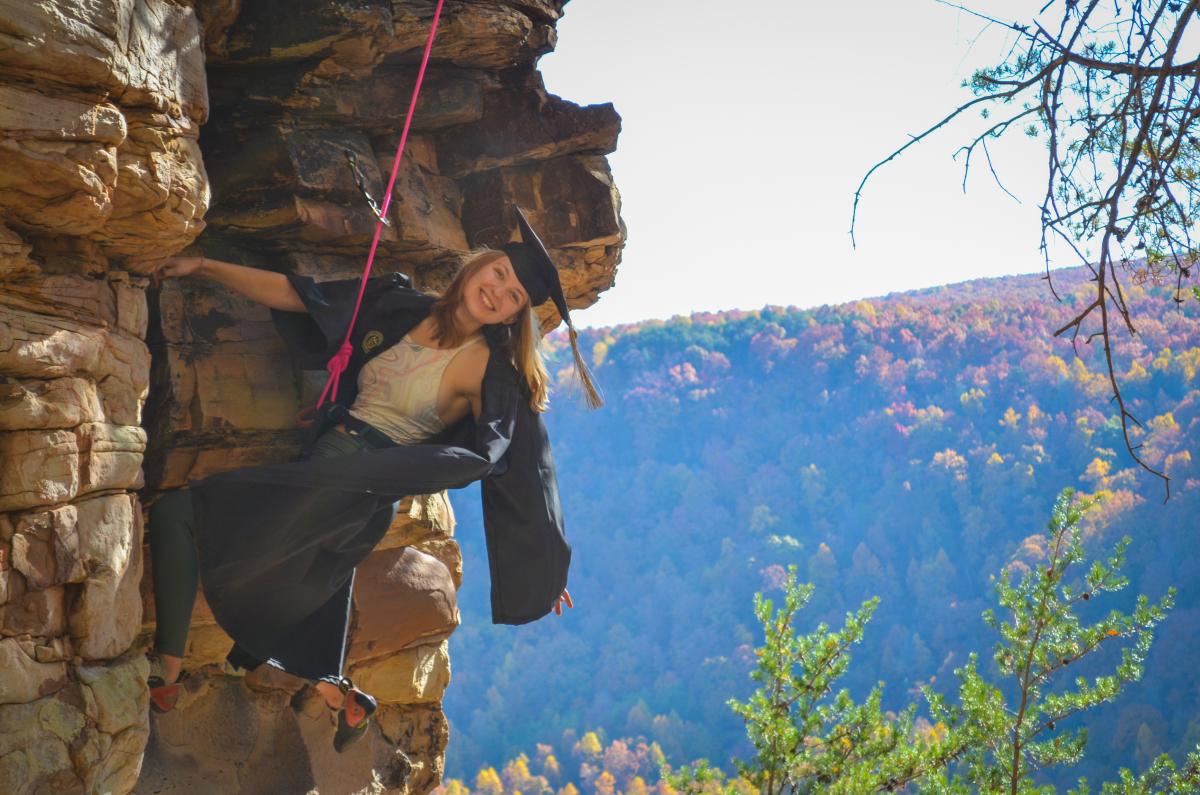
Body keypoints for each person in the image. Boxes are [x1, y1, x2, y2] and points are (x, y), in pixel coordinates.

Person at [145, 208, 599, 752]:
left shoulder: (488, 370)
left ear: (515, 314)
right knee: (302, 582)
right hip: (331, 469)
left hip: (359, 482)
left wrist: (545, 566)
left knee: (181, 517)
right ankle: (340, 695)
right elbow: (302, 296)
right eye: (499, 273)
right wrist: (204, 266)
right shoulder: (397, 304)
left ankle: (167, 676)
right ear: (481, 263)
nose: (499, 291)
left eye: (516, 296)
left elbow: (529, 465)